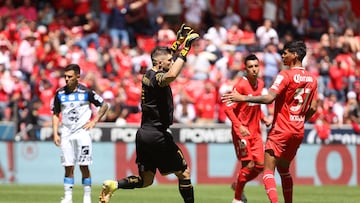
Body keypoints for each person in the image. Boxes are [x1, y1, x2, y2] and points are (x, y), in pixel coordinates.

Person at [98, 24, 199, 203]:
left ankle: (114, 185)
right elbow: (171, 75)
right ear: (160, 63)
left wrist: (178, 43)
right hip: (157, 134)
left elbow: (164, 57)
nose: (171, 63)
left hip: (144, 133)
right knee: (184, 173)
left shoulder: (149, 73)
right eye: (169, 61)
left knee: (146, 181)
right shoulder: (157, 78)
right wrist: (185, 51)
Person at [222, 40, 318, 203]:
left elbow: (268, 99)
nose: (282, 55)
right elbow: (314, 108)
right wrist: (299, 120)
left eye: (285, 52)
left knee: (266, 170)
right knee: (283, 169)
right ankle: (238, 197)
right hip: (297, 130)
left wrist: (242, 98)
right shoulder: (312, 78)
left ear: (294, 55)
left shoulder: (284, 75)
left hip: (280, 130)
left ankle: (252, 195)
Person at [52, 64, 109, 203]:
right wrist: (55, 133)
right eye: (65, 76)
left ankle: (87, 197)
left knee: (84, 165)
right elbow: (55, 113)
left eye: (69, 76)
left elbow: (104, 105)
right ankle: (68, 197)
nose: (66, 79)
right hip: (66, 133)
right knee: (68, 165)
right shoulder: (60, 94)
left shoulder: (86, 92)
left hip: (82, 133)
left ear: (78, 77)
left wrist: (94, 122)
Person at [224, 53, 272, 203]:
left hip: (256, 131)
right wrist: (239, 126)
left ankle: (238, 184)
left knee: (261, 165)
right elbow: (228, 108)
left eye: (256, 66)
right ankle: (237, 199)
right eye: (250, 67)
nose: (254, 69)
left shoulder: (261, 84)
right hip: (241, 131)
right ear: (245, 69)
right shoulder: (240, 85)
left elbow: (254, 106)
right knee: (248, 164)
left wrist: (264, 119)